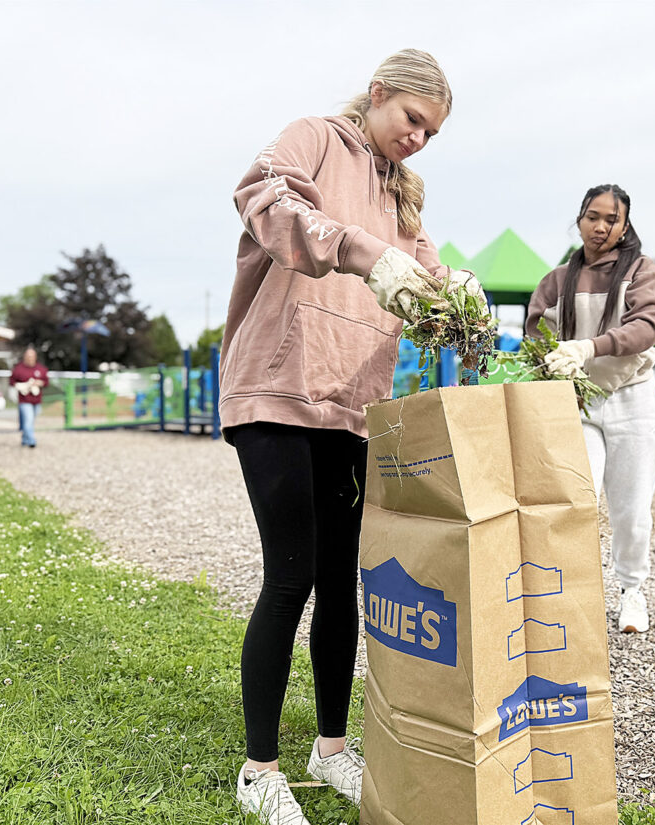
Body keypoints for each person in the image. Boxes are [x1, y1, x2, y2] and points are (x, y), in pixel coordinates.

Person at [219, 49, 483, 824]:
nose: (419, 140)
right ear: (378, 95)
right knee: (291, 575)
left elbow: (429, 271)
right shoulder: (314, 138)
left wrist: (453, 286)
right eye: (412, 120)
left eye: (432, 132)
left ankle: (329, 748)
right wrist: (364, 252)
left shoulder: (400, 195)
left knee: (345, 585)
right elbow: (260, 196)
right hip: (276, 387)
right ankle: (258, 768)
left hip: (349, 405)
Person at [526, 184, 655, 634]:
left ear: (625, 226)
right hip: (580, 402)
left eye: (611, 219)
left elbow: (647, 327)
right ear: (580, 219)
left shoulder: (642, 272)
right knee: (575, 501)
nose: (601, 226)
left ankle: (632, 593)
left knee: (631, 508)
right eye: (592, 216)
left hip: (634, 399)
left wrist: (589, 346)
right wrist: (547, 356)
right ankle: (574, 592)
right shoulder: (556, 280)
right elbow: (534, 330)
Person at [9, 346, 49, 448]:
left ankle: (25, 438)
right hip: (24, 400)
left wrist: (39, 383)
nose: (30, 358)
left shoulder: (41, 369)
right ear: (25, 357)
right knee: (28, 419)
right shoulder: (18, 369)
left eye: (32, 356)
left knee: (30, 421)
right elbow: (12, 382)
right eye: (28, 356)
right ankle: (31, 441)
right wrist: (22, 386)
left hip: (36, 400)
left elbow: (46, 382)